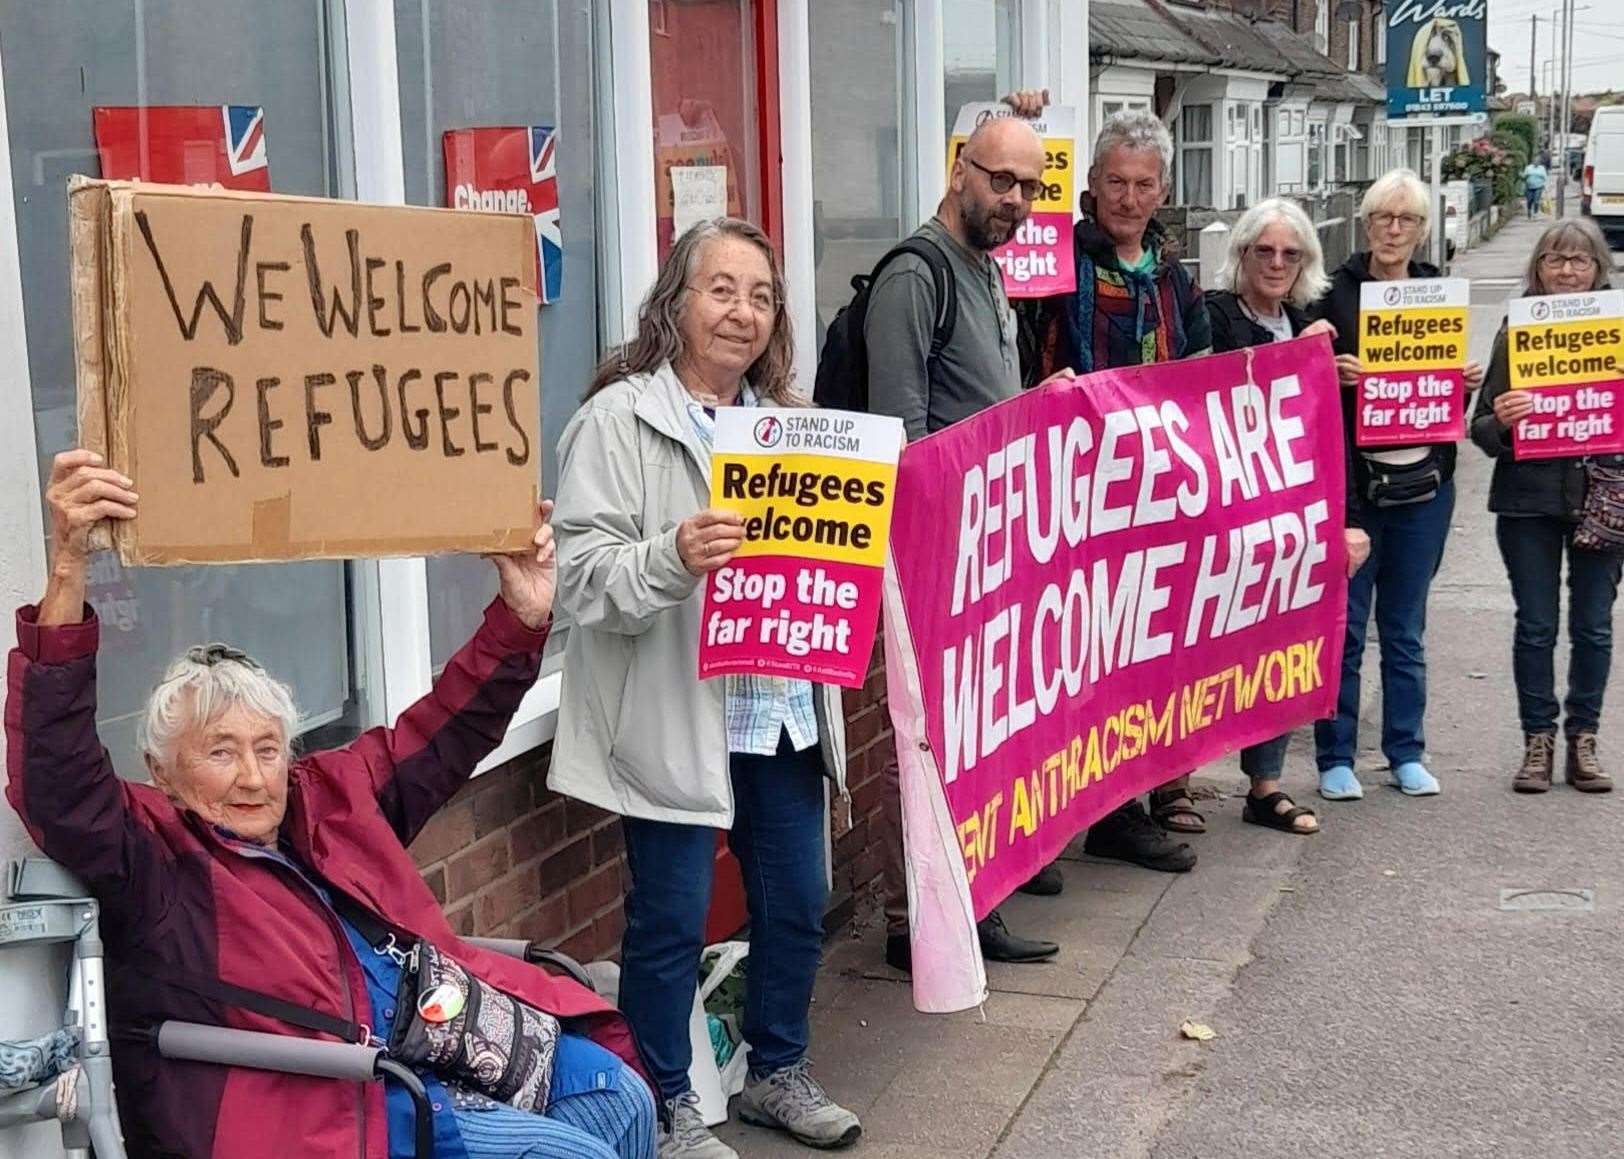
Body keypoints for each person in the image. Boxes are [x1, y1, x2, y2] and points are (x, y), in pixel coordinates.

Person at [6, 453, 654, 1159]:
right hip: (342, 1102)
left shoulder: (328, 797)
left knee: (619, 1095)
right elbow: (57, 779)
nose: (253, 776)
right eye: (220, 752)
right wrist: (69, 568)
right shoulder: (157, 854)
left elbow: (446, 728)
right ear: (162, 769)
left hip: (446, 1043)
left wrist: (523, 619)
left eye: (268, 747)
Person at [548, 217, 860, 1159]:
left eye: (761, 295)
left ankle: (777, 1072)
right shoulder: (618, 420)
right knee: (672, 919)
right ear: (675, 303)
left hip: (781, 706)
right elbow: (579, 577)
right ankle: (664, 1101)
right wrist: (672, 556)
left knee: (799, 900)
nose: (743, 312)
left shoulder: (795, 430)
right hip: (677, 708)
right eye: (722, 289)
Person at [865, 113, 1064, 974]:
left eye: (1029, 186)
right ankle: (934, 919)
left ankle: (968, 905)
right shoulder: (917, 274)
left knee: (974, 736)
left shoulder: (986, 270)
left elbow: (981, 404)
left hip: (984, 541)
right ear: (959, 170)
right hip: (936, 550)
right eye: (1000, 180)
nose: (1014, 199)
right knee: (940, 740)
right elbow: (903, 430)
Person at [1009, 95, 1211, 867]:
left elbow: (1202, 370)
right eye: (1116, 183)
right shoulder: (1054, 258)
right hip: (1068, 488)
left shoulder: (1174, 278)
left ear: (1163, 190)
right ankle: (1051, 820)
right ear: (1090, 183)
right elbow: (994, 200)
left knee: (1139, 650)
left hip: (1152, 492)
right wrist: (1017, 112)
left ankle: (1123, 808)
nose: (1129, 199)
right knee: (1067, 657)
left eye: (1145, 184)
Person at [1309, 169, 1485, 801]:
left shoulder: (1438, 292)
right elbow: (1302, 373)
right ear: (1365, 224)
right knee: (1348, 628)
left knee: (1405, 628)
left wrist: (1462, 381)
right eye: (1383, 216)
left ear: (1421, 230)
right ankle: (1335, 757)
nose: (1392, 228)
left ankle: (1406, 750)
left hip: (1425, 484)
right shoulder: (1332, 292)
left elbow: (1448, 398)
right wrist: (1328, 368)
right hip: (1357, 487)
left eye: (1405, 219)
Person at [1205, 198, 1374, 833]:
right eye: (1264, 250)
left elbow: (1336, 439)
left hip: (1292, 524)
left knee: (1279, 649)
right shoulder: (1215, 317)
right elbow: (1207, 396)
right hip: (1222, 520)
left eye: (1290, 254)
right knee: (1203, 654)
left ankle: (1266, 786)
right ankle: (1176, 785)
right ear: (1242, 254)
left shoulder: (1310, 323)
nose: (1276, 263)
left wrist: (1349, 520)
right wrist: (1297, 365)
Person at [1469, 217, 1620, 794]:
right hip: (1527, 501)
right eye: (1554, 260)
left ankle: (1584, 738)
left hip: (1602, 495)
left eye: (1579, 261)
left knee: (1594, 627)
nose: (1566, 271)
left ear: (1598, 269)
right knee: (1535, 626)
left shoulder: (1618, 332)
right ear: (1537, 269)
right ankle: (1539, 739)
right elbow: (1480, 427)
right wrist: (1502, 423)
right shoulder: (1517, 331)